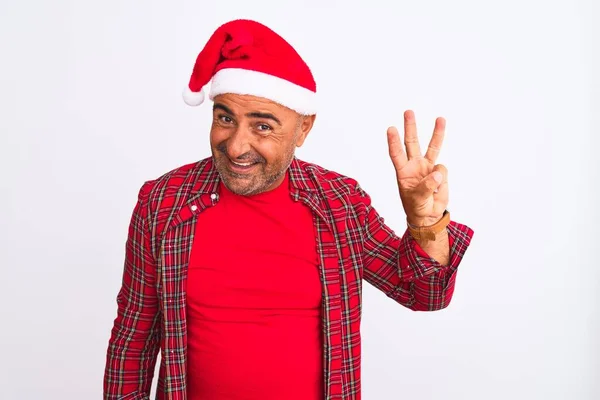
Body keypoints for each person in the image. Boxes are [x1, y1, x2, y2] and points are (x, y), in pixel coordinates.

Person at [103, 18, 474, 400]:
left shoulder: (339, 203)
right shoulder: (163, 202)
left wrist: (426, 223)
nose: (235, 146)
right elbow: (133, 339)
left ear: (303, 129)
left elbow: (424, 295)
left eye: (262, 126)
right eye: (225, 118)